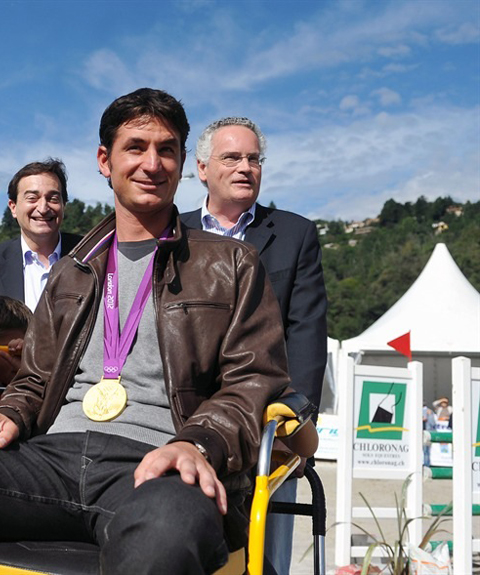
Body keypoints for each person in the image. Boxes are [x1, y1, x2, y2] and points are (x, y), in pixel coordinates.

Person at [0, 87, 290, 575]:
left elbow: (253, 381)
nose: (152, 163)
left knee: (166, 526)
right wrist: (8, 412)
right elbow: (35, 378)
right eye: (135, 147)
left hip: (158, 464)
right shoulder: (70, 272)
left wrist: (197, 443)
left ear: (182, 165)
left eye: (166, 150)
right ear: (104, 160)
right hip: (49, 460)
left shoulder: (231, 263)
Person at [181, 116, 328, 575]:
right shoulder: (172, 233)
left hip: (268, 427)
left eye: (253, 159)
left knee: (265, 558)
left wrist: (297, 427)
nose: (245, 167)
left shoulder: (295, 234)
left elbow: (306, 331)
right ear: (202, 169)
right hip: (184, 419)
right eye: (231, 158)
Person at [0, 159, 83, 311]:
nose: (43, 208)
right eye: (32, 198)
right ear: (13, 207)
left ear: (63, 205)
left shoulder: (90, 255)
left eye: (53, 199)